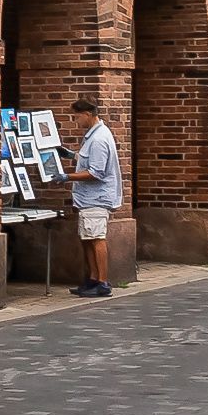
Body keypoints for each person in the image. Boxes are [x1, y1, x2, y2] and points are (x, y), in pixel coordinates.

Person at [65, 95, 122, 299]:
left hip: (96, 198)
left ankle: (102, 282)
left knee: (96, 238)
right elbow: (89, 160)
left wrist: (66, 177)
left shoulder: (98, 139)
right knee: (87, 238)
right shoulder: (94, 135)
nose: (76, 121)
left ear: (88, 115)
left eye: (77, 117)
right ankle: (93, 278)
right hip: (88, 199)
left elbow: (96, 171)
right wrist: (71, 155)